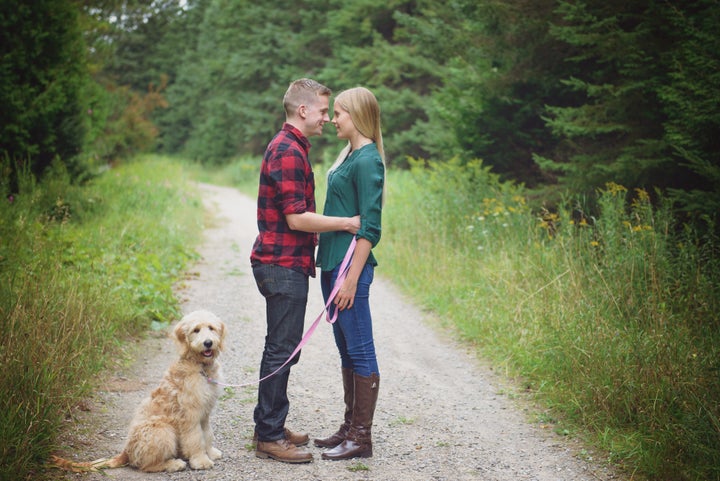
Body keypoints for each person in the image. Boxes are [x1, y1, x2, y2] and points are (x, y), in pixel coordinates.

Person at [250, 78, 361, 464]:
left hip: (284, 264)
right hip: (281, 265)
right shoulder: (288, 152)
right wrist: (347, 223)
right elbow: (297, 219)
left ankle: (272, 425)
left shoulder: (292, 148)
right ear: (303, 110)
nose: (327, 119)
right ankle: (268, 435)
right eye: (323, 111)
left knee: (283, 349)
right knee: (281, 350)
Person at [314, 87, 386, 460]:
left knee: (360, 349)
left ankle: (361, 438)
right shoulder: (350, 155)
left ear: (355, 115)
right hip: (332, 266)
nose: (332, 119)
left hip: (349, 271)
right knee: (346, 349)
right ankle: (349, 428)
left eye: (338, 113)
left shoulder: (368, 159)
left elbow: (370, 228)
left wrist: (352, 278)